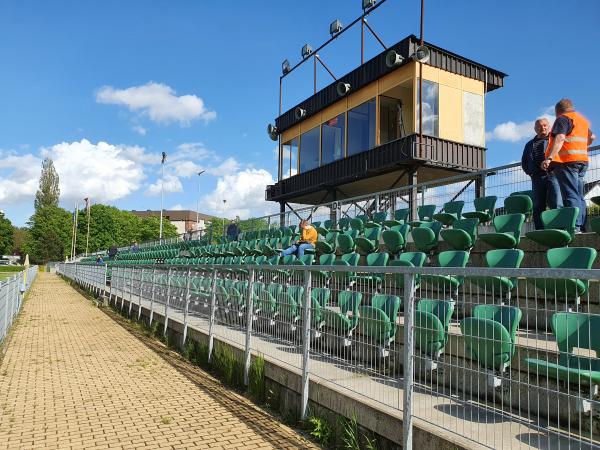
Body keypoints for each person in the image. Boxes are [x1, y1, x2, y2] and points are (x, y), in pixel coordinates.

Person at [542, 99, 595, 232]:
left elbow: (560, 138)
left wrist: (549, 158)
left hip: (567, 162)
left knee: (570, 195)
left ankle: (574, 227)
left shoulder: (563, 119)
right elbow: (592, 137)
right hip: (582, 161)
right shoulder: (581, 120)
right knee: (579, 195)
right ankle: (581, 226)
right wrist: (582, 147)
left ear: (557, 111)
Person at [521, 118, 562, 229]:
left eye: (544, 125)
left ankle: (558, 229)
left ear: (549, 126)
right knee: (538, 205)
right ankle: (539, 230)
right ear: (535, 129)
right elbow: (524, 162)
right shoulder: (529, 144)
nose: (542, 128)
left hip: (553, 175)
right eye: (539, 126)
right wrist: (531, 173)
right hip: (537, 178)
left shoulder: (555, 140)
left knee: (556, 203)